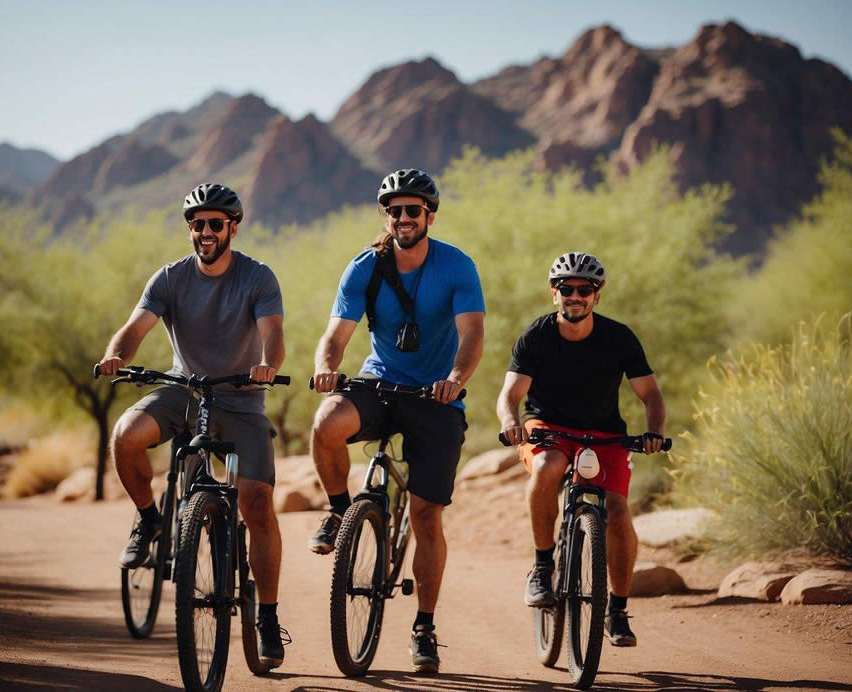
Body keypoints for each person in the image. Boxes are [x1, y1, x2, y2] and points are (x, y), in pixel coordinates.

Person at [97, 183, 289, 667]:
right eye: (197, 224)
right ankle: (148, 519)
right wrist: (116, 355)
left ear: (232, 228)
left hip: (242, 400)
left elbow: (274, 336)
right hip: (185, 389)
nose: (205, 232)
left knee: (259, 504)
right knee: (126, 436)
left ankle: (266, 615)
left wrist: (267, 365)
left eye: (215, 224)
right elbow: (135, 326)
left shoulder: (257, 278)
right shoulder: (169, 278)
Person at [309, 169, 486, 674]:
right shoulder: (365, 266)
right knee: (326, 423)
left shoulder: (457, 266)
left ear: (430, 215)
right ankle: (341, 510)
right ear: (385, 216)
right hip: (381, 383)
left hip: (436, 396)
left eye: (413, 210)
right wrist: (326, 367)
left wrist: (455, 377)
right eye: (395, 210)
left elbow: (472, 334)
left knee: (427, 515)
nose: (403, 218)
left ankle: (424, 627)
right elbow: (336, 335)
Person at [495, 251, 666, 648]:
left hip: (603, 432)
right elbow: (510, 394)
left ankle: (618, 611)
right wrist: (510, 422)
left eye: (584, 290)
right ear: (554, 294)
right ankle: (542, 567)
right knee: (547, 468)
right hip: (547, 427)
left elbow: (650, 394)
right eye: (566, 289)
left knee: (618, 512)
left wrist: (653, 431)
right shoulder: (536, 336)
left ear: (596, 296)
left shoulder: (619, 337)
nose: (575, 295)